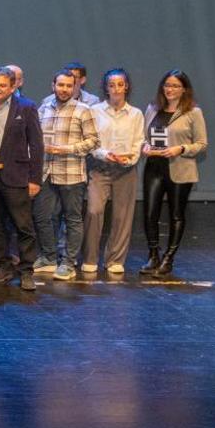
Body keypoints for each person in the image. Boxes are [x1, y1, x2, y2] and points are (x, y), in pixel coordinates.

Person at [0, 67, 43, 291]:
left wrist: (35, 179)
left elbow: (36, 145)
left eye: (2, 85)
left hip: (15, 176)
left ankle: (26, 271)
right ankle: (3, 266)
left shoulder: (26, 107)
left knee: (23, 225)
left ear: (13, 87)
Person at [32, 69, 100, 280]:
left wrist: (66, 149)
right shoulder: (43, 108)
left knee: (72, 219)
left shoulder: (83, 110)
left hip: (71, 173)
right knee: (42, 216)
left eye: (69, 86)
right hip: (46, 172)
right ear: (53, 85)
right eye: (60, 85)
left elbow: (94, 142)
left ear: (75, 87)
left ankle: (69, 263)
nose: (64, 89)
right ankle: (49, 258)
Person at [140, 70, 208, 278]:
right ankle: (154, 255)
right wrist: (144, 147)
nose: (170, 89)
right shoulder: (152, 108)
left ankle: (169, 258)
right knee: (150, 212)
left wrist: (180, 149)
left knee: (176, 214)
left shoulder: (193, 112)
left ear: (184, 89)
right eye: (167, 85)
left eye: (176, 86)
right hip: (154, 166)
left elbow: (202, 144)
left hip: (180, 168)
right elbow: (142, 137)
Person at [83, 69, 144, 275]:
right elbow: (90, 140)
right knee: (94, 210)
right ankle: (90, 258)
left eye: (120, 84)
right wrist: (104, 154)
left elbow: (138, 141)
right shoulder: (95, 111)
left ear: (126, 86)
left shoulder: (136, 114)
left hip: (125, 169)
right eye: (111, 84)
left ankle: (115, 259)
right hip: (100, 168)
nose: (116, 88)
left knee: (122, 216)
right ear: (106, 87)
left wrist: (130, 159)